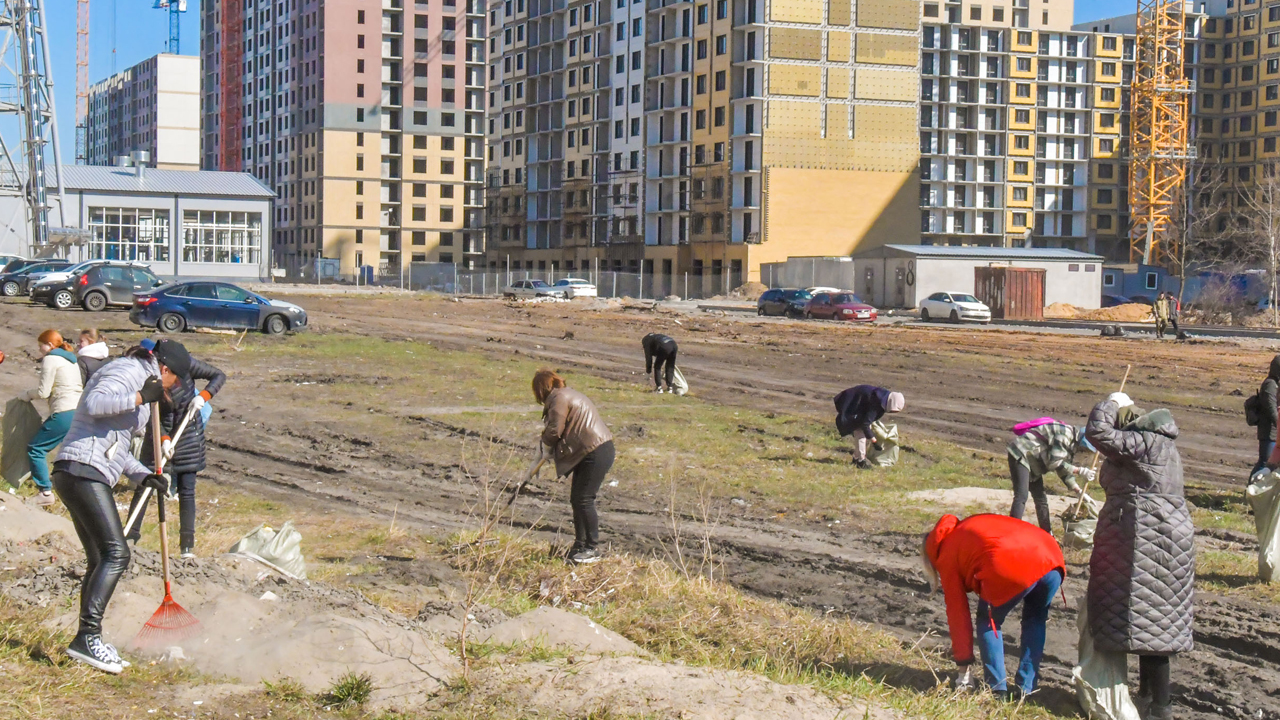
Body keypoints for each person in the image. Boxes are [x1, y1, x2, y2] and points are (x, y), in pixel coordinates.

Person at [52, 344, 174, 674]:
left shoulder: (143, 385)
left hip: (81, 470)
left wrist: (145, 476)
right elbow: (94, 403)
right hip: (82, 469)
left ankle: (88, 639)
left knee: (99, 558)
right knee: (116, 554)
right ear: (164, 370)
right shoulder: (128, 371)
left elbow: (117, 448)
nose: (172, 387)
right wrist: (140, 397)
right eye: (174, 379)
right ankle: (87, 637)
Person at [1085, 393, 1195, 720]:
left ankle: (1159, 709)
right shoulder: (1159, 445)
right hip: (1157, 539)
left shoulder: (1145, 443)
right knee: (1152, 626)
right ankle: (1149, 702)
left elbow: (1097, 434)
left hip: (1150, 540)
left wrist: (1109, 402)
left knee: (1153, 629)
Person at [921, 513, 1065, 700]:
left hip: (1012, 559)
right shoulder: (967, 527)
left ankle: (997, 689)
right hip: (1052, 556)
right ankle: (1026, 690)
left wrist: (963, 670)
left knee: (988, 620)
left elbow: (958, 615)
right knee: (1035, 619)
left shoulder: (946, 552)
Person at [125, 339, 225, 558]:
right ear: (164, 368)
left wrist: (203, 397)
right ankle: (130, 536)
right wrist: (163, 438)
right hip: (158, 434)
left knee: (187, 490)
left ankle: (187, 547)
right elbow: (151, 412)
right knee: (145, 483)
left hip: (189, 435)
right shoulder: (149, 376)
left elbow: (219, 375)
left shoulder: (184, 363)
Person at [533, 369, 615, 564]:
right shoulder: (565, 394)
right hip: (591, 450)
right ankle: (580, 545)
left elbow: (555, 430)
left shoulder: (558, 398)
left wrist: (545, 446)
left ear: (541, 389)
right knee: (577, 499)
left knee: (584, 499)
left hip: (594, 451)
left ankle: (591, 548)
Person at [21, 330, 84, 507]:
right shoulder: (70, 359)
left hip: (64, 411)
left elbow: (43, 392)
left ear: (49, 345)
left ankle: (45, 492)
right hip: (78, 411)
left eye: (40, 344)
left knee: (36, 448)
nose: (39, 348)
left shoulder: (50, 359)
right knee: (70, 453)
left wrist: (26, 395)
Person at [1006, 421, 1095, 532]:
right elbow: (1054, 463)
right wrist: (1079, 470)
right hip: (1022, 453)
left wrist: (1078, 490)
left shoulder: (1072, 445)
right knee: (1021, 496)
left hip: (1034, 462)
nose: (1084, 451)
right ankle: (1010, 531)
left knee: (1041, 499)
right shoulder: (1064, 435)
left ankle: (1047, 534)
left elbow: (1063, 468)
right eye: (1085, 448)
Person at [834, 385, 905, 469]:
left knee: (862, 430)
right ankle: (861, 461)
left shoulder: (883, 398)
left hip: (858, 404)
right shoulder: (876, 403)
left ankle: (856, 458)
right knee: (860, 431)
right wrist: (874, 441)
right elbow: (865, 424)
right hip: (850, 403)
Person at [1254, 355, 1280, 478]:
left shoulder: (1276, 384)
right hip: (1269, 430)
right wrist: (1279, 424)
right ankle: (1252, 488)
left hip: (1274, 429)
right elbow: (1271, 407)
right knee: (1265, 462)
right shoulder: (1270, 384)